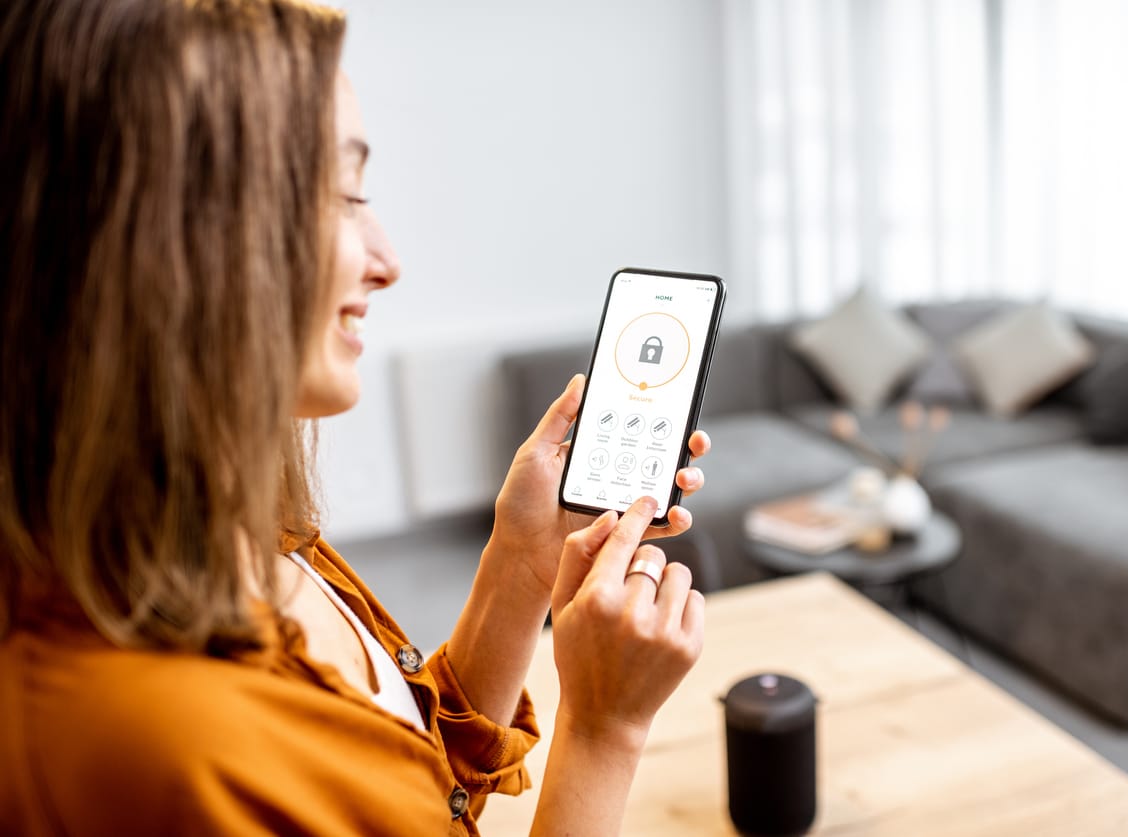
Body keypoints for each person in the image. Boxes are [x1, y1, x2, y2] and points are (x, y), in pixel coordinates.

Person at [0, 2, 710, 834]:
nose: (387, 260)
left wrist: (521, 561)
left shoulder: (245, 534)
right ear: (168, 242)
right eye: (339, 196)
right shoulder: (173, 744)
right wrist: (604, 730)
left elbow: (405, 783)